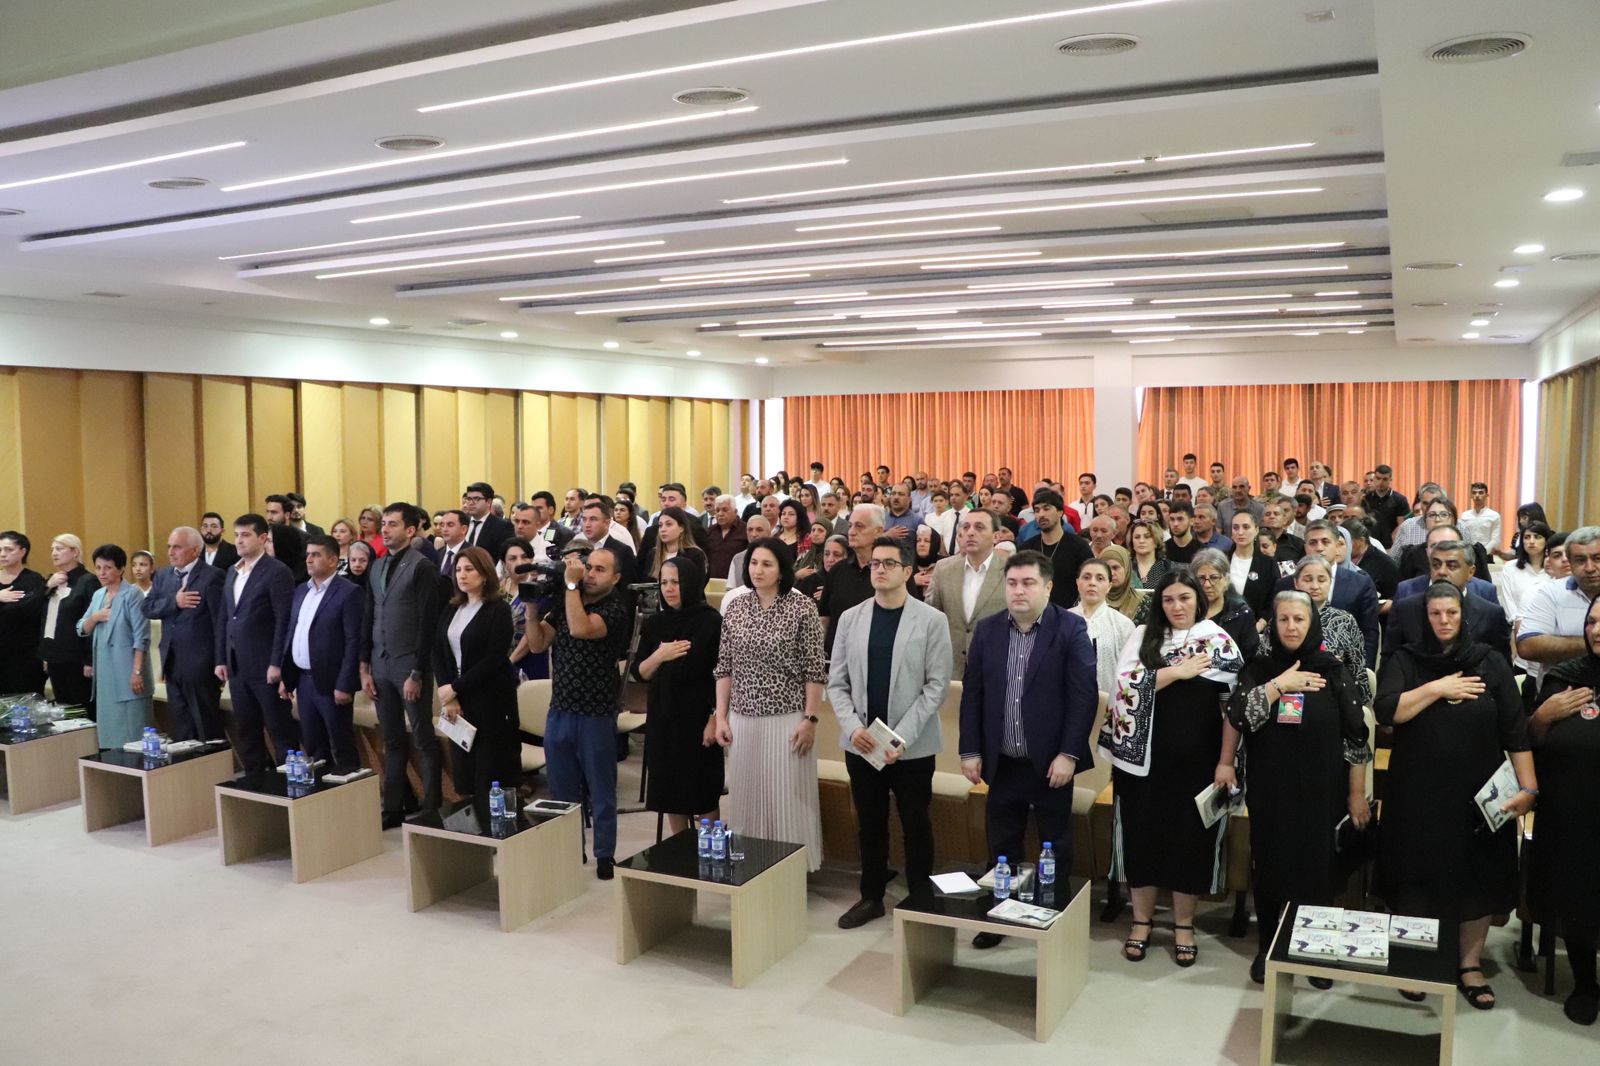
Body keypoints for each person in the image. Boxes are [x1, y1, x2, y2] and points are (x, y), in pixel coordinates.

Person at [1375, 580, 1536, 1010]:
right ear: (1424, 617)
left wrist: (1528, 788)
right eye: (1435, 613)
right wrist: (1438, 688)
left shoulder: (1490, 661)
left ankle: (1469, 964)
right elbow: (1387, 711)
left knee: (1476, 876)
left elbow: (1515, 730)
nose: (1444, 621)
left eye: (1451, 612)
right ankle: (1415, 957)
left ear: (1464, 615)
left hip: (1478, 792)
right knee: (1415, 875)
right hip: (1417, 793)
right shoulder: (1407, 659)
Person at [1103, 569, 1245, 967]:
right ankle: (1141, 922)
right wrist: (1176, 672)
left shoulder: (1217, 640)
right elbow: (1123, 689)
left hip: (1198, 766)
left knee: (1190, 844)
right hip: (1141, 768)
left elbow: (1234, 709)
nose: (1177, 606)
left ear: (1199, 600)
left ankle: (1184, 926)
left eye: (1184, 598)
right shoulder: (1142, 637)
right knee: (1141, 840)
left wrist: (1226, 761)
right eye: (1168, 599)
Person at [1228, 590, 1371, 983]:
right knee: (1270, 866)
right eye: (1284, 619)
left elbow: (1357, 737)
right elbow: (1240, 717)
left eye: (1299, 619)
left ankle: (1316, 950)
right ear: (1273, 625)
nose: (1291, 627)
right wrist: (1280, 684)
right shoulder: (1259, 668)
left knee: (1319, 869)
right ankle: (1268, 947)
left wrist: (1356, 794)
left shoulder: (1333, 670)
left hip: (1323, 791)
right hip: (1271, 790)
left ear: (1312, 623)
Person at [958, 549, 1097, 947]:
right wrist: (970, 750)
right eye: (1012, 583)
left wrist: (1069, 754)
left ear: (1048, 587)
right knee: (1002, 847)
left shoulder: (1070, 628)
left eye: (1028, 583)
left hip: (1052, 764)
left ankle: (1055, 921)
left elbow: (1083, 697)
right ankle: (1001, 917)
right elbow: (973, 694)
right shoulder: (988, 630)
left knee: (1056, 847)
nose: (1019, 591)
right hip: (1003, 761)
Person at [829, 536, 953, 928]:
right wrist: (853, 728)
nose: (879, 570)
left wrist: (900, 737)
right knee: (870, 822)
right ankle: (871, 897)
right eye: (875, 564)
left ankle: (919, 895)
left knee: (915, 821)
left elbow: (936, 686)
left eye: (888, 563)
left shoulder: (931, 620)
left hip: (911, 745)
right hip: (862, 742)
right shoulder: (851, 618)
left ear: (908, 571)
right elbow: (837, 683)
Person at [713, 538, 827, 872]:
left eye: (767, 564)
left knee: (786, 798)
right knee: (747, 796)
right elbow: (724, 667)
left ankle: (789, 871)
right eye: (753, 563)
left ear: (781, 569)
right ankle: (751, 867)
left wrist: (810, 719)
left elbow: (814, 670)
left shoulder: (801, 607)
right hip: (743, 716)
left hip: (787, 717)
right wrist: (721, 716)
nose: (758, 570)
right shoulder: (736, 606)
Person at [526, 545, 632, 878]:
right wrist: (531, 609)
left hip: (596, 713)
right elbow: (538, 644)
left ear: (616, 578)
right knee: (561, 790)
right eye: (589, 567)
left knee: (601, 790)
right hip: (561, 708)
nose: (590, 574)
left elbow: (581, 629)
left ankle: (605, 855)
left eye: (600, 569)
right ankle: (571, 850)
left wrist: (570, 585)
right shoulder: (567, 600)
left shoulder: (616, 608)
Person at [1527, 596, 1600, 1025]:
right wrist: (1544, 715)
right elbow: (1530, 740)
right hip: (1570, 810)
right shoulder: (1565, 676)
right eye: (1591, 622)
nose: (1596, 630)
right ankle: (1585, 983)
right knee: (1577, 894)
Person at [361, 503, 444, 828]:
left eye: (392, 524)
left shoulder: (422, 566)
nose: (385, 529)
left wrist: (417, 672)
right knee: (392, 738)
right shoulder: (376, 565)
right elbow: (369, 617)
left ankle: (432, 807)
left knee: (423, 738)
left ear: (410, 530)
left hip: (410, 664)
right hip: (380, 663)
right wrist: (365, 666)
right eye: (383, 523)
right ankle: (393, 807)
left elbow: (428, 623)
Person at [630, 552, 724, 836]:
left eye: (676, 582)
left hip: (698, 717)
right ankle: (680, 846)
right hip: (664, 716)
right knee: (670, 791)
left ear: (691, 583)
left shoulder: (711, 622)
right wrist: (660, 655)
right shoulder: (656, 623)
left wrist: (715, 717)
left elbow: (722, 675)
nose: (669, 589)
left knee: (702, 791)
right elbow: (640, 672)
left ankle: (709, 848)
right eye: (664, 582)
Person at [433, 546, 520, 823]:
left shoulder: (498, 609)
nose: (462, 575)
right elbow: (438, 651)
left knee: (488, 771)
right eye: (458, 570)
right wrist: (449, 693)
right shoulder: (452, 607)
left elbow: (494, 659)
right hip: (457, 699)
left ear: (484, 574)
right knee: (465, 772)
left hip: (489, 698)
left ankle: (495, 826)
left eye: (469, 569)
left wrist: (455, 687)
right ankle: (473, 827)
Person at [215, 514, 299, 771]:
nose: (239, 541)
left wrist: (277, 663)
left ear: (263, 538)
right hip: (237, 664)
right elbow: (224, 617)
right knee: (247, 729)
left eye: (245, 535)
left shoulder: (277, 572)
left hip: (265, 665)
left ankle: (290, 782)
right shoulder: (232, 571)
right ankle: (255, 781)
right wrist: (221, 658)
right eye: (236, 535)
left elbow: (283, 621)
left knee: (279, 728)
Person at [276, 535, 364, 772]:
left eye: (316, 555)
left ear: (333, 560)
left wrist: (345, 684)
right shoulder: (301, 591)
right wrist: (287, 676)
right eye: (308, 554)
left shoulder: (349, 592)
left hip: (332, 682)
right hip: (304, 681)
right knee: (314, 746)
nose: (309, 560)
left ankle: (349, 789)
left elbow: (353, 642)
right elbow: (292, 634)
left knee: (341, 745)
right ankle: (320, 792)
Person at [142, 527, 226, 741]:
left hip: (201, 664)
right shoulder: (163, 575)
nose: (171, 552)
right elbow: (147, 607)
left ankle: (212, 762)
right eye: (169, 546)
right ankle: (187, 760)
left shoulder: (212, 576)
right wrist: (174, 602)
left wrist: (220, 661)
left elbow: (219, 623)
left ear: (195, 550)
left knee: (205, 724)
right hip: (171, 661)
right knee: (181, 725)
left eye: (177, 547)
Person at [1387, 540, 1512, 669]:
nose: (1441, 571)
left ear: (1470, 572)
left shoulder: (1491, 614)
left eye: (1451, 566)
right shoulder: (1405, 609)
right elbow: (1389, 663)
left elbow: (1502, 669)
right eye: (1436, 565)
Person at [76, 544, 154, 748]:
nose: (102, 572)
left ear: (121, 569)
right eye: (98, 567)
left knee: (133, 733)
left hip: (128, 673)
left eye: (108, 567)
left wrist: (137, 671)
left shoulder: (133, 594)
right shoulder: (98, 595)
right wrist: (95, 617)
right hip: (105, 674)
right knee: (110, 736)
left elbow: (142, 637)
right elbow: (81, 628)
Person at [925, 508, 1006, 676]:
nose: (970, 532)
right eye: (966, 527)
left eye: (979, 527)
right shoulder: (943, 569)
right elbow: (931, 617)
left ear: (996, 536)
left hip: (995, 669)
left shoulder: (1010, 571)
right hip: (950, 669)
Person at [1517, 527, 1600, 689]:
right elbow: (1527, 646)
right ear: (1570, 563)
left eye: (1597, 558)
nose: (1590, 568)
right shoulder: (1552, 592)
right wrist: (1592, 643)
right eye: (1580, 560)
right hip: (1560, 693)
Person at [1288, 555, 1374, 706]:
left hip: (1335, 698)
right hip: (1289, 698)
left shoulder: (1345, 621)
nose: (1315, 586)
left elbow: (1357, 670)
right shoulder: (1282, 618)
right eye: (1308, 580)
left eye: (1322, 580)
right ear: (1296, 583)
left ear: (1330, 582)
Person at [39, 534, 98, 708]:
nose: (54, 553)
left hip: (77, 656)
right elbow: (46, 618)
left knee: (81, 707)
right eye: (52, 549)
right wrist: (47, 586)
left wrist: (90, 660)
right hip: (54, 655)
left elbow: (92, 621)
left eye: (59, 549)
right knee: (63, 707)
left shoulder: (88, 581)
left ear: (75, 552)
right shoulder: (52, 580)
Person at [819, 504, 883, 659]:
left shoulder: (890, 571)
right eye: (850, 526)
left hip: (874, 658)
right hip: (836, 658)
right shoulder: (838, 570)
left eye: (859, 526)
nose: (852, 532)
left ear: (878, 531)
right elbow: (825, 617)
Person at [1070, 558, 1135, 697]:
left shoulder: (1123, 625)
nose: (1092, 583)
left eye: (1100, 578)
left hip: (1110, 702)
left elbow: (1130, 673)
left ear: (1109, 586)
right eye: (1086, 577)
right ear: (1077, 582)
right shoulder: (1062, 621)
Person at [1018, 489, 1092, 608]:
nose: (1041, 514)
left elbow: (1089, 581)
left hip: (1069, 612)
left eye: (1046, 509)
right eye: (1037, 510)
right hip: (1033, 611)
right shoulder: (1026, 549)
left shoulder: (1079, 546)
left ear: (1060, 512)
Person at [0, 531, 47, 696]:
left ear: (22, 551)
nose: (2, 554)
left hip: (25, 654)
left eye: (8, 549)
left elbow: (29, 610)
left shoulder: (34, 580)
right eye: (0, 550)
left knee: (26, 701)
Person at [1191, 548, 1260, 661]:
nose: (1207, 585)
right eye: (1201, 578)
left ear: (1226, 580)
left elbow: (1250, 658)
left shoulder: (1241, 614)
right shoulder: (1187, 612)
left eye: (1214, 577)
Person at [1225, 511, 1278, 620]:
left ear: (1256, 530)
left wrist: (1260, 624)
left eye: (1246, 527)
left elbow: (1273, 598)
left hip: (1256, 624)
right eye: (1235, 528)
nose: (1240, 532)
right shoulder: (1222, 559)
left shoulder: (1268, 563)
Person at [578, 499, 638, 586]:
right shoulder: (577, 547)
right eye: (584, 519)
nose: (587, 524)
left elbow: (628, 587)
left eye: (593, 519)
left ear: (607, 523)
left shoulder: (622, 551)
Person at [1345, 516, 1399, 604]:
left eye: (1346, 542)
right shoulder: (1339, 559)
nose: (1341, 546)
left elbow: (1395, 600)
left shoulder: (1385, 564)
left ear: (1361, 540)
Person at [1098, 544, 1150, 624]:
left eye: (1115, 568)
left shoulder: (1143, 603)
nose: (1111, 573)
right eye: (1106, 568)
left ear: (1126, 569)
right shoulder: (1089, 599)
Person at [1361, 464, 1410, 548]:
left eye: (1385, 479)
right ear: (1374, 478)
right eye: (1378, 478)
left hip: (1392, 543)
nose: (1381, 482)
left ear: (1390, 480)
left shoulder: (1400, 499)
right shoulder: (1366, 499)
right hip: (1370, 542)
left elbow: (1402, 525)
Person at [460, 482, 513, 559]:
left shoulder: (503, 526)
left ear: (488, 502)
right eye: (469, 499)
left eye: (476, 499)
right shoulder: (462, 523)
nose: (471, 503)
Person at [703, 494, 749, 580]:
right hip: (713, 581)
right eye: (717, 510)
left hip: (738, 580)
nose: (720, 514)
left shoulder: (746, 530)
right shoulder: (709, 531)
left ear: (735, 511)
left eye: (725, 510)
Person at [1128, 520, 1168, 590]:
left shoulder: (1168, 568)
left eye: (1147, 537)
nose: (1141, 541)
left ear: (1156, 540)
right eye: (1137, 537)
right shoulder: (1125, 567)